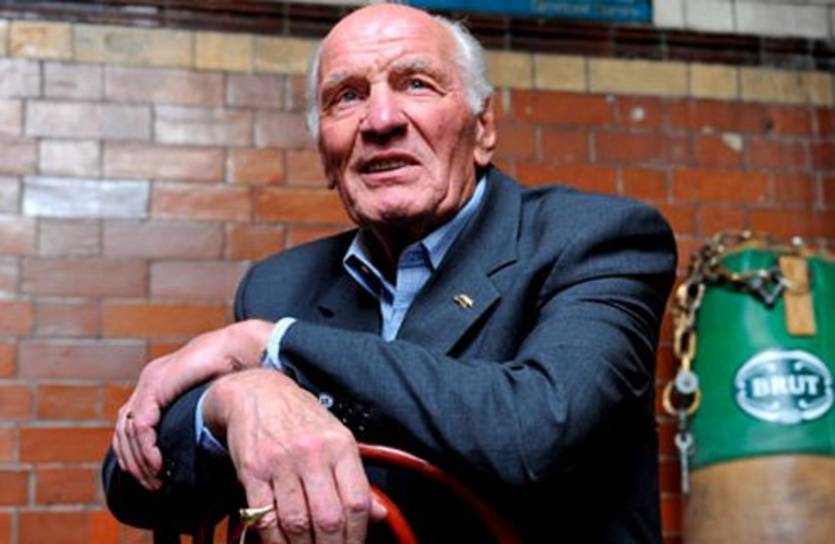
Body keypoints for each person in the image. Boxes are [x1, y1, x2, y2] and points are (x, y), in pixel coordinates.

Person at [102, 4, 676, 543]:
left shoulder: (597, 239)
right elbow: (135, 490)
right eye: (347, 96)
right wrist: (232, 397)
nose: (380, 120)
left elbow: (535, 430)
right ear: (325, 155)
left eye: (416, 84)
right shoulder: (279, 285)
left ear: (483, 128)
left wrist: (273, 345)